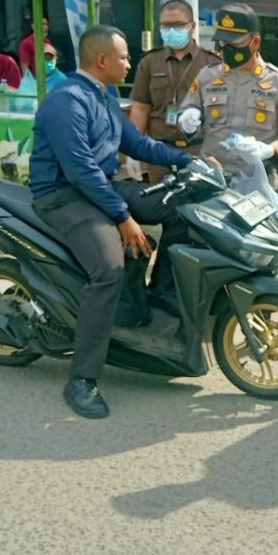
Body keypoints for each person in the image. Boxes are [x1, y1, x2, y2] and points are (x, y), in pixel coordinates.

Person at [29, 24, 196, 420]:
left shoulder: (102, 96)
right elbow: (79, 171)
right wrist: (123, 218)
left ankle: (161, 295)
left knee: (180, 211)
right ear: (101, 60)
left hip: (98, 186)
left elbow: (137, 143)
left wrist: (190, 161)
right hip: (63, 196)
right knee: (109, 267)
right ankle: (82, 379)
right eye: (123, 57)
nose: (129, 63)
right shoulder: (66, 101)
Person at [178, 3, 278, 189]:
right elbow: (187, 115)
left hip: (257, 181)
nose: (227, 48)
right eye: (223, 42)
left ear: (255, 42)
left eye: (235, 43)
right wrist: (186, 122)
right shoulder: (207, 76)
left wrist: (271, 150)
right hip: (210, 177)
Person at [128, 0, 220, 185]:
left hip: (199, 152)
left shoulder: (212, 64)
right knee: (160, 207)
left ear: (192, 26)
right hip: (160, 152)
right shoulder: (150, 62)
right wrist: (133, 151)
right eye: (166, 25)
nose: (171, 30)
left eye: (178, 25)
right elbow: (140, 107)